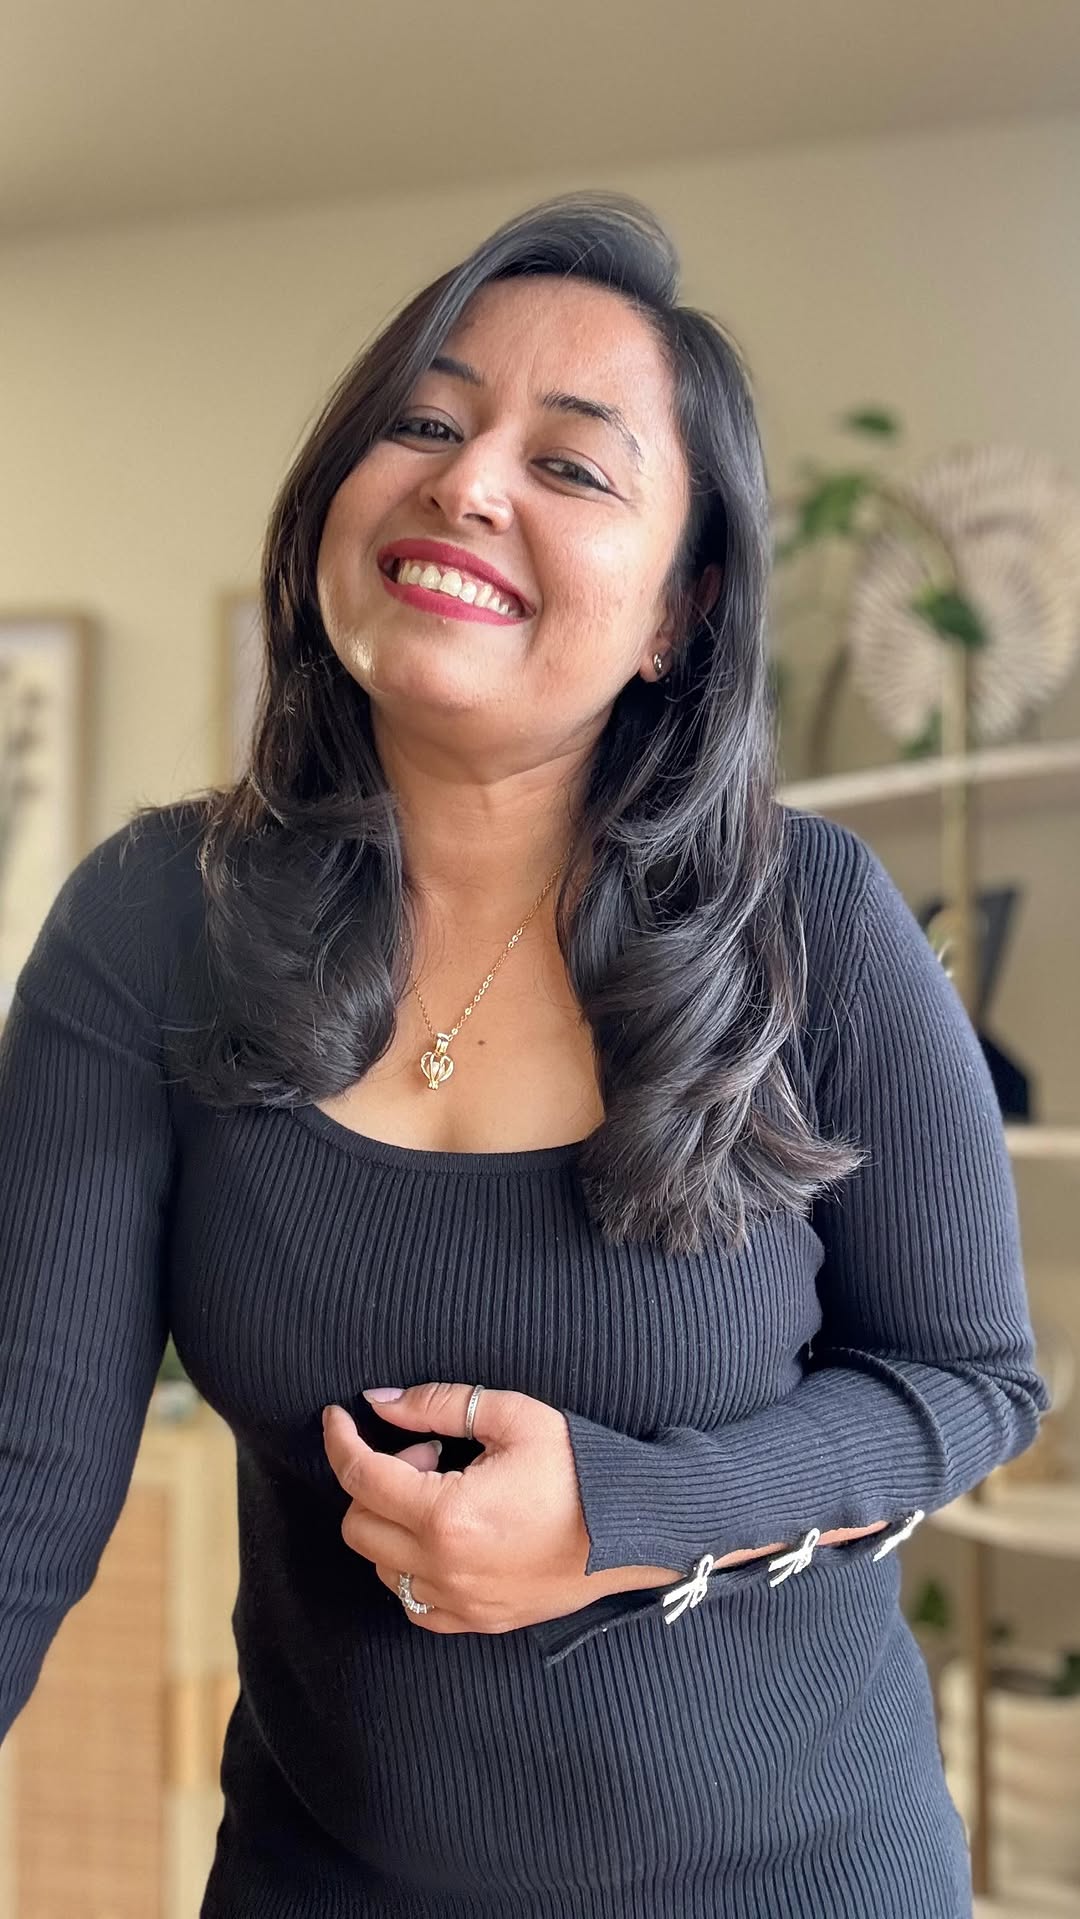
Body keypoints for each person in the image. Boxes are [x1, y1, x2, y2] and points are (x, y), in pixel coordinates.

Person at [0, 191, 1048, 1918]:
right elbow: (26, 1475)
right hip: (324, 1879)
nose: (469, 482)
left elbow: (970, 1382)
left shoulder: (814, 920)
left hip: (796, 1882)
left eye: (571, 464)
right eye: (423, 423)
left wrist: (625, 1514)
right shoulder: (148, 919)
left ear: (677, 614)